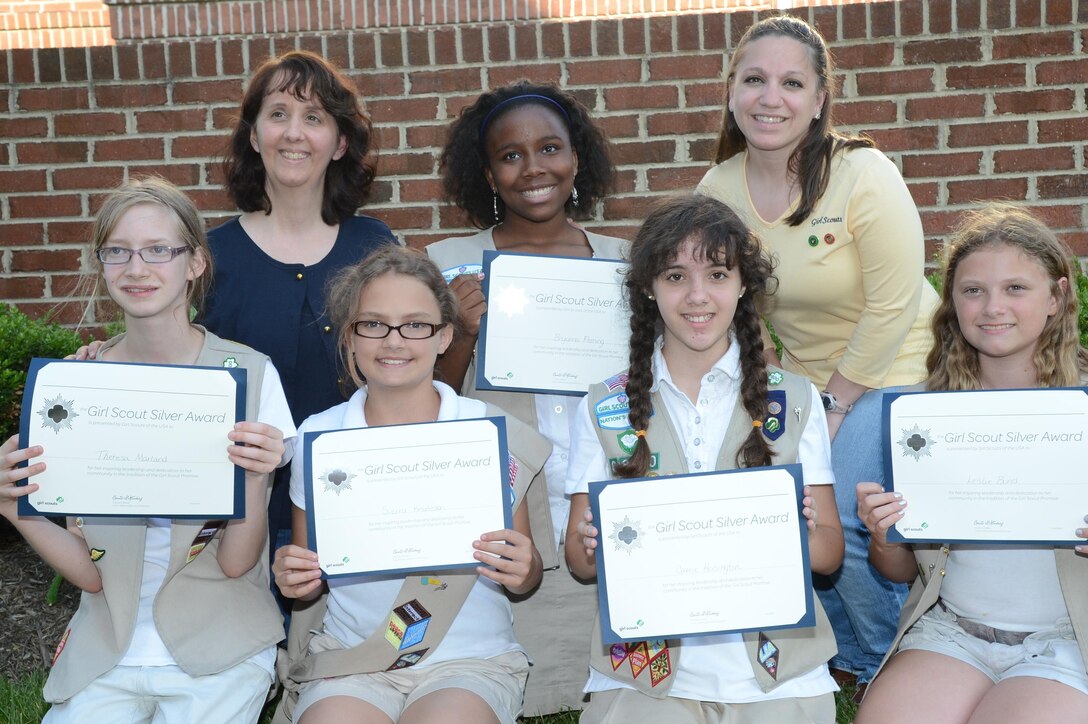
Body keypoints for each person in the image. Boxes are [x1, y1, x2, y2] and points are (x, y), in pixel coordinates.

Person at [695, 14, 938, 686]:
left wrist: (832, 408)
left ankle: (887, 659)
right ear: (732, 92)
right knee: (786, 508)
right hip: (805, 384)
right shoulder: (717, 190)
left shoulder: (862, 173)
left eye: (792, 83)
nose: (770, 98)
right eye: (754, 80)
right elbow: (730, 305)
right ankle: (836, 649)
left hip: (899, 371)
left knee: (846, 509)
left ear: (819, 99)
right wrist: (769, 380)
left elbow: (893, 305)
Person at [0, 177, 295, 722]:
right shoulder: (78, 385)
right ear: (101, 264)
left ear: (196, 262)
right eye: (118, 251)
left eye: (159, 249)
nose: (137, 268)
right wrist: (12, 505)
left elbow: (237, 564)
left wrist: (255, 478)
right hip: (108, 642)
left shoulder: (250, 378)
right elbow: (90, 573)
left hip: (219, 639)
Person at [566, 194, 844, 723]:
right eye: (675, 276)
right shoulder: (604, 406)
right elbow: (580, 563)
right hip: (646, 670)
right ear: (649, 288)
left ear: (743, 285)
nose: (697, 296)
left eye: (717, 274)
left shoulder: (794, 399)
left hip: (776, 668)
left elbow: (829, 554)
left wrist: (798, 531)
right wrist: (590, 541)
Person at [271, 246, 549, 724]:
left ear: (444, 336)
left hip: (469, 660)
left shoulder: (487, 429)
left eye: (415, 325)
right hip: (355, 658)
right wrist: (294, 576)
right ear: (349, 336)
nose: (394, 341)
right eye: (373, 324)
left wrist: (522, 567)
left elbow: (526, 574)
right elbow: (307, 586)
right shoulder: (319, 436)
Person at [425, 81, 626, 715]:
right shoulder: (447, 266)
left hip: (602, 482)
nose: (533, 168)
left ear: (577, 158)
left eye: (549, 148)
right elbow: (418, 404)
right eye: (510, 156)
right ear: (487, 174)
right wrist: (460, 332)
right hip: (512, 505)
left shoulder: (626, 264)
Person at [854, 205, 1088, 724]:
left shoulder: (1083, 409)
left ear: (1056, 297)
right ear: (952, 302)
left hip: (1070, 637)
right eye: (973, 290)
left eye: (1015, 288)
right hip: (952, 631)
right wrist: (884, 535)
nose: (992, 307)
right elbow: (900, 569)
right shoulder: (924, 418)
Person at [202, 50, 397, 587]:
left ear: (340, 143)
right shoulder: (210, 256)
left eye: (314, 117)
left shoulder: (374, 246)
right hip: (241, 512)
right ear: (253, 135)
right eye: (278, 114)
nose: (294, 133)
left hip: (358, 501)